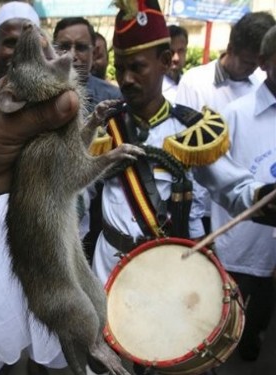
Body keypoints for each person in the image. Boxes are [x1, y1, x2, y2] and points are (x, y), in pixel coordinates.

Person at [90, 1, 276, 373]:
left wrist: (261, 197)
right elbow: (77, 197)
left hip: (174, 270)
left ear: (165, 60)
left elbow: (234, 188)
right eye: (121, 67)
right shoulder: (100, 133)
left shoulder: (193, 130)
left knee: (174, 360)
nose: (126, 78)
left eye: (137, 67)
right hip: (109, 268)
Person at [0, 3, 76, 375]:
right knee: (3, 342)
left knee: (49, 346)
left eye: (31, 41)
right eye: (10, 42)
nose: (18, 50)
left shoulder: (65, 102)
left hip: (48, 240)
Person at [175, 11, 276, 234]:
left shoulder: (261, 82)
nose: (255, 69)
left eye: (260, 63)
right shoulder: (195, 83)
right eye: (249, 62)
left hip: (248, 213)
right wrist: (194, 224)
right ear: (231, 48)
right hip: (204, 215)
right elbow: (187, 156)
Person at [210, 24, 276, 362]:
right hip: (237, 255)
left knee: (256, 343)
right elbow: (215, 181)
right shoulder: (234, 115)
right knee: (221, 342)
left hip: (273, 262)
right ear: (264, 62)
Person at [53, 17, 122, 264]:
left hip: (101, 218)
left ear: (95, 51)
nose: (72, 56)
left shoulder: (113, 98)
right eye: (63, 47)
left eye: (81, 47)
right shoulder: (39, 98)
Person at [162, 24, 188, 102]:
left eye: (180, 51)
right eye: (171, 52)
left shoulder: (190, 86)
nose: (176, 58)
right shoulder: (152, 90)